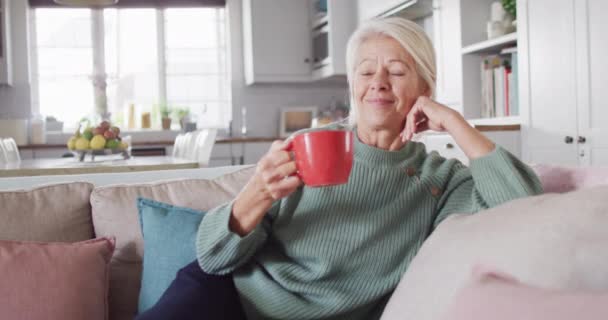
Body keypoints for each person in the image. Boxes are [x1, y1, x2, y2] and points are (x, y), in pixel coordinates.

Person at [136, 17, 542, 320]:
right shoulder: (308, 146)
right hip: (234, 298)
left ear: (425, 91)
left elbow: (526, 209)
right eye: (366, 71)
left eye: (397, 72)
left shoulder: (440, 180)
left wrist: (457, 124)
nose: (378, 82)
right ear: (353, 85)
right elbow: (212, 258)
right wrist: (258, 192)